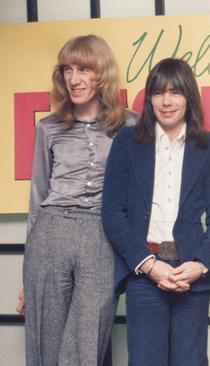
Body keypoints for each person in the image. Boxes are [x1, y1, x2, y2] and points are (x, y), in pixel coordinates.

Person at [18, 34, 138, 366]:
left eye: (84, 69)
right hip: (51, 232)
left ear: (102, 73)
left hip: (102, 234)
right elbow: (38, 197)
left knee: (88, 342)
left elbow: (139, 195)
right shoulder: (49, 127)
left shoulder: (130, 125)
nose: (74, 79)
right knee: (47, 343)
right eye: (68, 70)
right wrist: (28, 278)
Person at [101, 58, 210, 365]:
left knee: (191, 360)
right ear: (149, 99)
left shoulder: (208, 145)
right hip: (144, 273)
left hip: (191, 274)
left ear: (189, 97)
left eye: (176, 92)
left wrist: (200, 264)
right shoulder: (127, 141)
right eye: (159, 92)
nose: (167, 101)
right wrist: (148, 264)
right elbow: (112, 212)